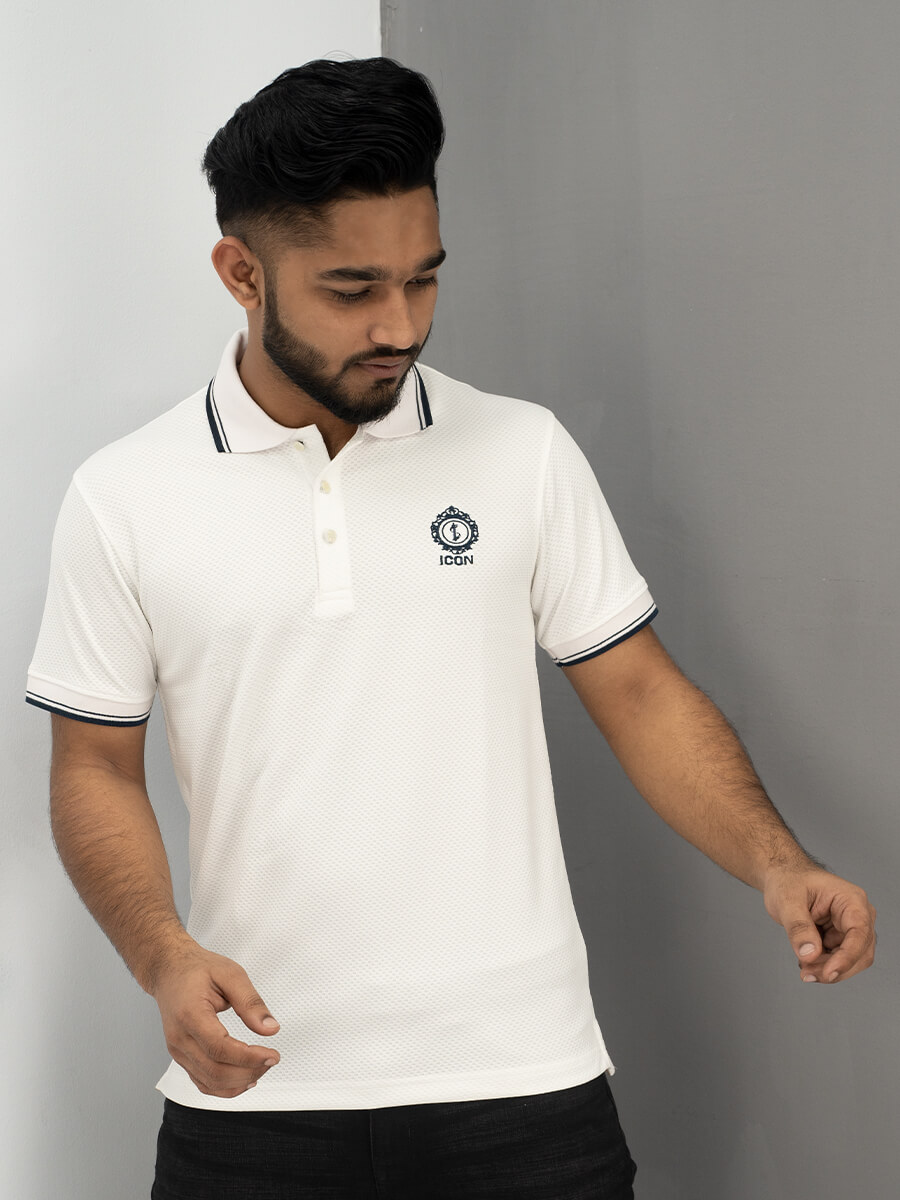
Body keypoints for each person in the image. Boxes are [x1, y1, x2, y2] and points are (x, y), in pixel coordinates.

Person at [26, 57, 876, 1200]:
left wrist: (777, 863)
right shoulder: (125, 495)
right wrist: (161, 954)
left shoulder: (522, 451)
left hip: (525, 1091)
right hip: (259, 1100)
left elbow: (639, 694)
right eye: (352, 289)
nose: (401, 324)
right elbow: (93, 766)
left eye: (423, 279)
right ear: (241, 274)